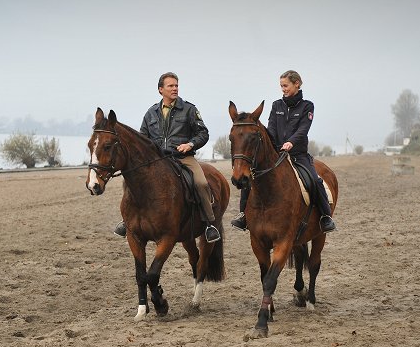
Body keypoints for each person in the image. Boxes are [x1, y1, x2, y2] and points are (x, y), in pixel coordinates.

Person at [114, 72, 221, 243]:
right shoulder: (151, 113)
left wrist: (190, 145)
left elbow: (203, 133)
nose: (175, 88)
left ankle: (209, 223)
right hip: (157, 160)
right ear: (160, 90)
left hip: (182, 157)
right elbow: (142, 138)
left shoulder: (189, 109)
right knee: (129, 181)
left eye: (176, 85)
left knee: (201, 183)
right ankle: (127, 220)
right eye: (170, 86)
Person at [231, 70, 336, 233]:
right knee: (251, 177)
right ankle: (243, 215)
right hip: (277, 153)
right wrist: (270, 141)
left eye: (286, 85)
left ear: (297, 84)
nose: (283, 89)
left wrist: (291, 143)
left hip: (298, 155)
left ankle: (325, 216)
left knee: (314, 181)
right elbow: (271, 126)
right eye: (281, 86)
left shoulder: (307, 106)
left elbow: (303, 129)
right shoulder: (276, 105)